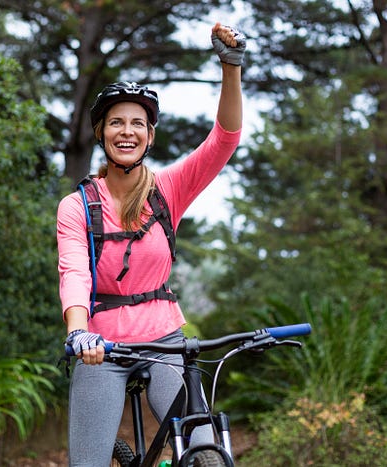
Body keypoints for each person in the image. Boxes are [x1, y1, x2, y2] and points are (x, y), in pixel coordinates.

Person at [57, 22, 245, 467]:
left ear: (150, 135)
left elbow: (225, 140)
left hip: (165, 342)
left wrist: (231, 67)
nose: (127, 131)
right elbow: (74, 272)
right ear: (102, 134)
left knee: (204, 448)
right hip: (100, 346)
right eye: (116, 123)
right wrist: (78, 332)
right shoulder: (77, 205)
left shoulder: (168, 190)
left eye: (137, 123)